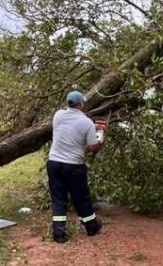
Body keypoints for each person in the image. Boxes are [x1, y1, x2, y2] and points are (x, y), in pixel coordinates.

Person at [47, 90, 107, 243]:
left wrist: (91, 126)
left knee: (58, 199)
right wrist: (100, 135)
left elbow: (72, 125)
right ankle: (91, 227)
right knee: (81, 198)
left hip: (54, 163)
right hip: (73, 166)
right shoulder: (86, 122)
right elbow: (93, 148)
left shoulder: (58, 115)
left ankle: (59, 234)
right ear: (80, 104)